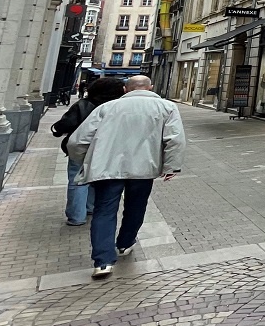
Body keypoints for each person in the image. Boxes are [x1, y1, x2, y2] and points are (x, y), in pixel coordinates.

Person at [66, 75, 185, 279]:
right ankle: (124, 244)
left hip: (108, 168)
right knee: (136, 207)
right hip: (143, 168)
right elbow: (174, 139)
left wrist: (86, 161)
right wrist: (171, 166)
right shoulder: (167, 107)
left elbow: (77, 141)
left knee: (104, 210)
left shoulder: (107, 108)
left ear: (125, 89)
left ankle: (102, 262)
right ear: (151, 87)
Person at [50, 76, 124, 226]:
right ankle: (90, 207)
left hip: (82, 148)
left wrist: (57, 129)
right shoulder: (119, 107)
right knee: (95, 179)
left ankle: (76, 216)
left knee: (77, 180)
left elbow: (66, 124)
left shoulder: (83, 105)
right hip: (106, 149)